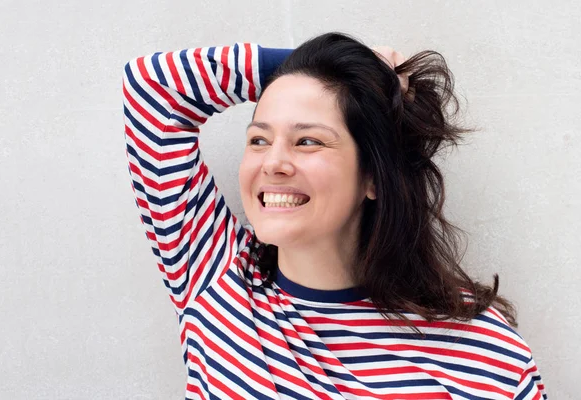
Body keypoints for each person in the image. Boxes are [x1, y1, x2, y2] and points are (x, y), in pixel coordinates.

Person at [122, 32, 547, 399]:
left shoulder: (480, 348)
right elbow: (152, 88)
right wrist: (351, 72)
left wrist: (362, 87)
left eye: (308, 141)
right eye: (258, 139)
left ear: (373, 177)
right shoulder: (214, 275)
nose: (273, 163)